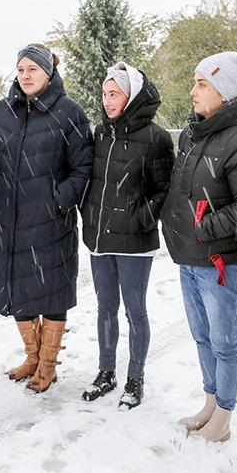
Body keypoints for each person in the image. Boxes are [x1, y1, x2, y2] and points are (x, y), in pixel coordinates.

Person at [161, 51, 237, 442]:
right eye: (195, 82)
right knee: (202, 336)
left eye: (202, 84)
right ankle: (210, 401)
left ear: (225, 91)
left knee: (224, 341)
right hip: (190, 256)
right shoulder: (195, 131)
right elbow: (181, 188)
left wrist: (204, 229)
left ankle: (223, 415)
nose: (193, 91)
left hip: (222, 260)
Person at [0, 43, 93, 393]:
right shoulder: (1, 111)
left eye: (33, 69)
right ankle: (31, 356)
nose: (25, 76)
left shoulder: (70, 112)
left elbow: (83, 168)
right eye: (21, 69)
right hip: (7, 218)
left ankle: (47, 365)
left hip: (49, 220)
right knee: (18, 287)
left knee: (52, 291)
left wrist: (58, 201)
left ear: (49, 73)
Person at [79, 62, 174, 409]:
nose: (107, 100)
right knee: (105, 308)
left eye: (114, 94)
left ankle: (135, 378)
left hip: (135, 241)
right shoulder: (101, 133)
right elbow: (91, 180)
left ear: (131, 95)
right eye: (104, 94)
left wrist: (139, 219)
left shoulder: (157, 138)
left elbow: (165, 190)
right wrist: (88, 213)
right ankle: (107, 372)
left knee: (135, 310)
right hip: (100, 239)